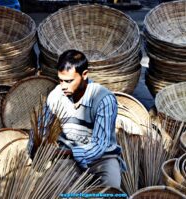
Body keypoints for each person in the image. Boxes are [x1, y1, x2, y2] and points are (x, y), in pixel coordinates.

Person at [41, 49, 126, 189]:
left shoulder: (104, 99)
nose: (63, 86)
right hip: (67, 159)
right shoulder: (55, 96)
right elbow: (41, 127)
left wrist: (65, 152)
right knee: (51, 189)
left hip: (103, 158)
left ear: (84, 74)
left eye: (69, 81)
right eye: (60, 80)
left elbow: (99, 146)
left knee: (110, 190)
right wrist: (36, 146)